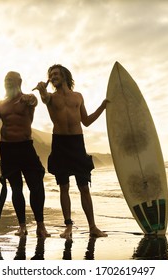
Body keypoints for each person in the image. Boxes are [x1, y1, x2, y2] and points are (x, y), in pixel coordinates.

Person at [0, 71, 50, 238]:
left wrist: (33, 98)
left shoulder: (28, 100)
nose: (8, 82)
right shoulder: (1, 104)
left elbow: (34, 101)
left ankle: (40, 225)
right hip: (7, 150)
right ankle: (22, 226)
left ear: (19, 81)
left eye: (11, 80)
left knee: (36, 186)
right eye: (6, 80)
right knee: (16, 188)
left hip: (26, 148)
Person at [34, 64, 108, 238]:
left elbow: (87, 121)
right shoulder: (50, 97)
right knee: (64, 187)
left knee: (84, 187)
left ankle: (93, 227)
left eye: (56, 73)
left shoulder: (78, 96)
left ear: (65, 76)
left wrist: (102, 107)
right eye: (50, 74)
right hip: (60, 144)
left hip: (77, 144)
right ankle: (68, 227)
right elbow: (44, 99)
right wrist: (41, 90)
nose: (53, 76)